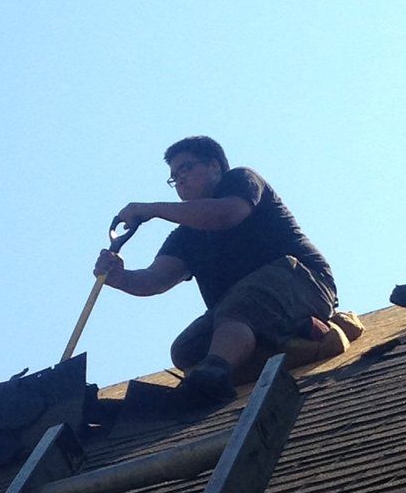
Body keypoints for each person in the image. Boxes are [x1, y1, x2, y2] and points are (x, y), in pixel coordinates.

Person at [94, 135, 338, 405]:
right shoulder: (185, 235)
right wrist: (119, 277)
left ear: (214, 165)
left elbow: (225, 215)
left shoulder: (241, 180)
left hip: (303, 282)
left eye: (186, 168)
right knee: (187, 350)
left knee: (241, 303)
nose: (180, 181)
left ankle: (213, 377)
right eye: (174, 177)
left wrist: (152, 209)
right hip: (240, 311)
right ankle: (298, 338)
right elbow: (155, 279)